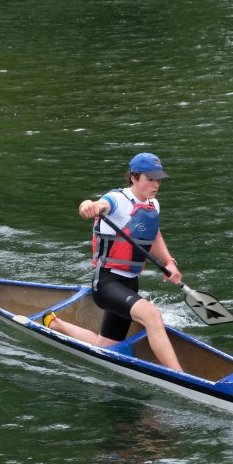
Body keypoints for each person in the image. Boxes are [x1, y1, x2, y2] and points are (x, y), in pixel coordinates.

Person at [45, 152, 184, 372]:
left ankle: (54, 323)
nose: (156, 184)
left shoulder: (153, 205)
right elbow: (98, 205)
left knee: (105, 347)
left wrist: (169, 261)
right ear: (134, 178)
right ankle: (179, 375)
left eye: (158, 180)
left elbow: (155, 235)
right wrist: (87, 205)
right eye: (150, 179)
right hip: (107, 283)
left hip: (130, 283)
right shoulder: (117, 199)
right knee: (152, 315)